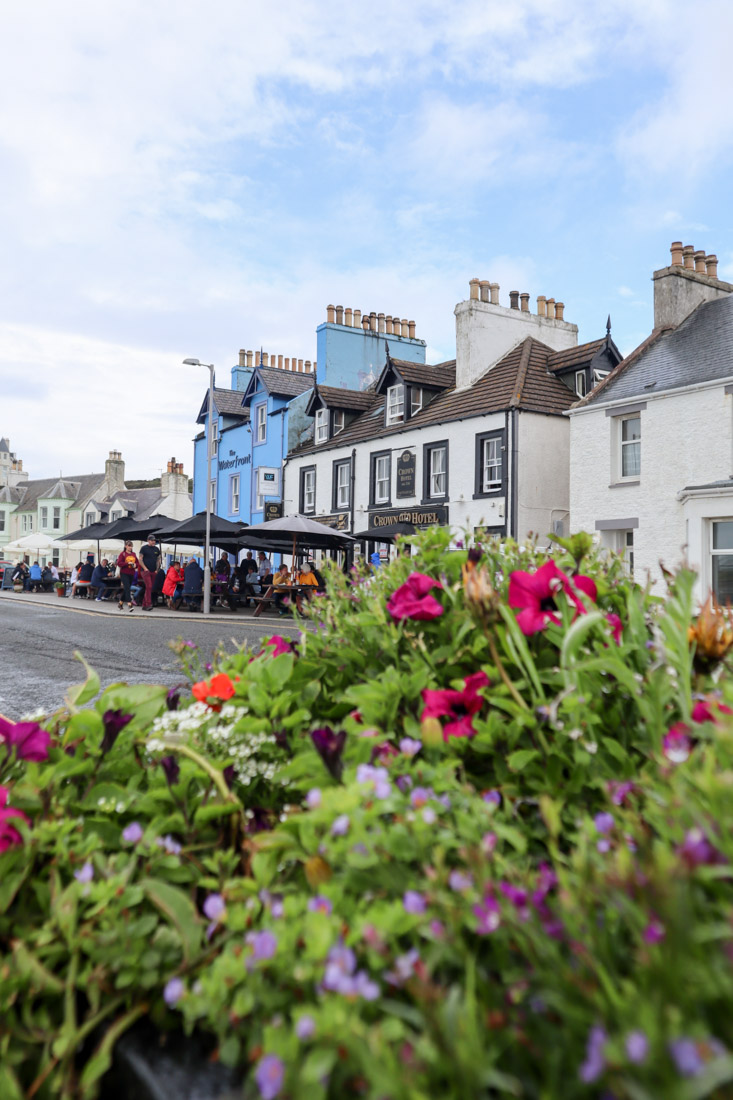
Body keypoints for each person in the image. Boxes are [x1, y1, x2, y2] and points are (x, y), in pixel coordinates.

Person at [138, 535, 161, 611]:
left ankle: (144, 604)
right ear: (148, 540)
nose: (153, 541)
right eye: (151, 540)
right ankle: (148, 604)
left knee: (149, 588)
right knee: (149, 586)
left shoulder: (157, 549)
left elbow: (158, 560)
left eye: (154, 540)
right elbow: (140, 559)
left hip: (153, 571)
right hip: (145, 571)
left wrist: (157, 570)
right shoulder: (144, 548)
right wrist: (145, 569)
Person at [116, 541, 140, 611]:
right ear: (125, 546)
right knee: (127, 588)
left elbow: (137, 563)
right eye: (129, 546)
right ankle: (129, 604)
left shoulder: (134, 554)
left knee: (127, 588)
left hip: (131, 573)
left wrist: (135, 565)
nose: (130, 547)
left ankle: (120, 603)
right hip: (124, 573)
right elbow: (119, 563)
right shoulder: (122, 554)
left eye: (131, 546)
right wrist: (127, 563)